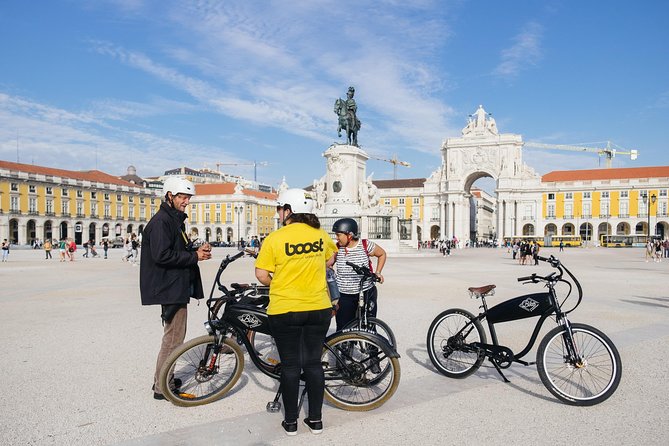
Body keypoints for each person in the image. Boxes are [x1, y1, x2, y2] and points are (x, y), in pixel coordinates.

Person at [254, 188, 337, 436]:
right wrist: (313, 271)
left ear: (288, 210)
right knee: (313, 364)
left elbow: (261, 274)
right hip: (318, 307)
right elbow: (331, 259)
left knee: (290, 366)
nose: (279, 213)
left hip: (285, 308)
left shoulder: (275, 238)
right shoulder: (320, 235)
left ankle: (290, 422)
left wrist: (281, 282)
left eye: (280, 209)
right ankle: (315, 420)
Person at [139, 177, 212, 401]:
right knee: (173, 339)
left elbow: (174, 248)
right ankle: (162, 386)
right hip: (169, 286)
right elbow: (161, 255)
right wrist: (194, 256)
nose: (186, 201)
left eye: (188, 197)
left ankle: (163, 379)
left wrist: (196, 249)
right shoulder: (162, 221)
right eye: (182, 196)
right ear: (169, 196)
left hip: (174, 285)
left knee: (173, 336)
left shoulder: (173, 220)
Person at [330, 218, 386, 332]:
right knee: (343, 327)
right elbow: (328, 263)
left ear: (349, 235)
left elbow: (382, 254)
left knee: (369, 324)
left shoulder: (365, 245)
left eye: (338, 234)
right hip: (344, 294)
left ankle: (371, 347)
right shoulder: (337, 248)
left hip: (366, 291)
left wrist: (378, 272)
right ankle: (344, 348)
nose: (336, 237)